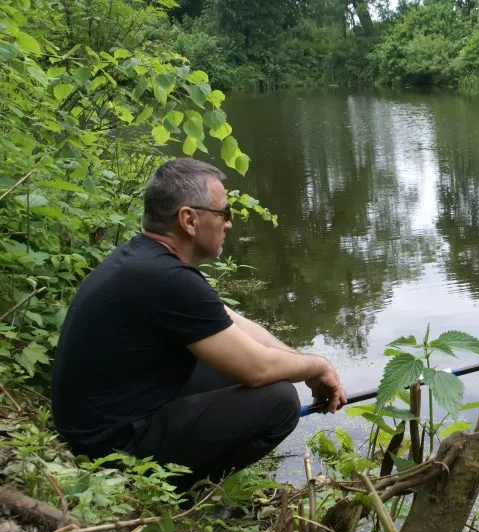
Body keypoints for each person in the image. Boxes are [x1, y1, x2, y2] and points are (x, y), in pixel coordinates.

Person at [51, 158, 347, 489]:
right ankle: (185, 492)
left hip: (99, 419)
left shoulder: (146, 260)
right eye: (224, 213)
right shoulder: (167, 278)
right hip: (109, 448)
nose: (229, 224)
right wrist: (317, 365)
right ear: (189, 220)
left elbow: (232, 323)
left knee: (250, 370)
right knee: (279, 401)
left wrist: (308, 367)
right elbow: (257, 369)